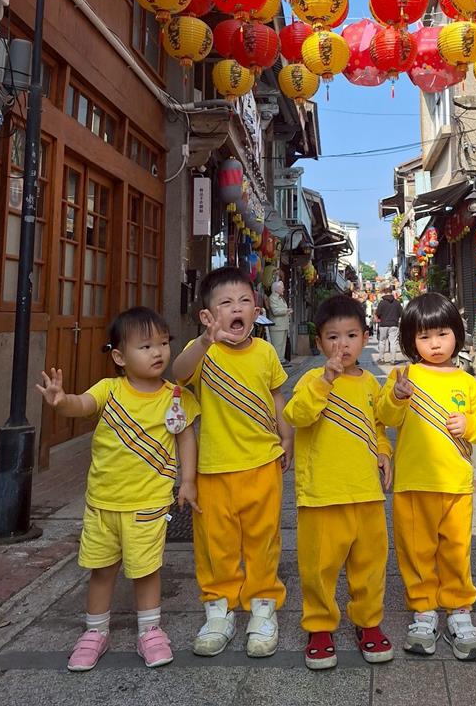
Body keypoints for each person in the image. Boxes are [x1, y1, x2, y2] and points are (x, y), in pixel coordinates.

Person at [35, 307, 200, 672]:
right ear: (120, 357)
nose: (158, 352)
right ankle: (95, 632)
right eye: (146, 346)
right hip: (102, 504)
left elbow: (186, 437)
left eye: (163, 343)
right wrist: (62, 401)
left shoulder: (175, 396)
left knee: (146, 570)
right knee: (102, 570)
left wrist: (187, 481)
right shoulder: (109, 390)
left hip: (148, 504)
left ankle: (150, 631)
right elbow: (82, 405)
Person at [172, 266, 293, 659]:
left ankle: (262, 606)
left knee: (263, 539)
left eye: (244, 301)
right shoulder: (202, 352)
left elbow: (276, 396)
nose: (237, 308)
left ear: (256, 311)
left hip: (262, 464)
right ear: (208, 316)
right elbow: (178, 372)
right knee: (216, 543)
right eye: (226, 303)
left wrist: (287, 435)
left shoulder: (266, 352)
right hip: (213, 469)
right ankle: (218, 609)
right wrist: (203, 342)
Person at [376, 292, 476, 661]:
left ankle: (459, 610)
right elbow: (385, 417)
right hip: (413, 483)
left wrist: (471, 425)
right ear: (410, 340)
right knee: (415, 551)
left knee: (456, 550)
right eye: (424, 336)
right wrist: (397, 397)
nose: (434, 344)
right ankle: (423, 609)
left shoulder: (468, 383)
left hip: (456, 484)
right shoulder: (403, 376)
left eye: (442, 334)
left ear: (456, 334)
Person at [283, 294, 393, 670]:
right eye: (332, 337)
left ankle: (368, 621)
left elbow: (378, 425)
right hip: (321, 495)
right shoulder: (311, 379)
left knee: (370, 564)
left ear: (365, 338)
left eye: (350, 336)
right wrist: (325, 381)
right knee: (318, 567)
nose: (342, 345)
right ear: (319, 343)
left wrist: (384, 452)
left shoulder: (371, 383)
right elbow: (298, 416)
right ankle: (319, 626)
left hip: (366, 492)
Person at [375, 285, 402, 364]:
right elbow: (401, 313)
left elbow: (378, 313)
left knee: (382, 341)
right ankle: (393, 360)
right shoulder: (397, 303)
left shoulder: (382, 303)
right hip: (394, 324)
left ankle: (381, 359)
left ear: (384, 292)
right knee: (393, 342)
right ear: (391, 292)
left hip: (383, 324)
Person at [267, 279, 292, 362]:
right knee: (277, 345)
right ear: (276, 289)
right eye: (282, 288)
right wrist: (286, 311)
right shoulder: (272, 298)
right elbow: (275, 311)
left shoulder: (281, 298)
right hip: (277, 326)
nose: (283, 289)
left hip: (283, 325)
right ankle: (277, 361)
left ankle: (281, 360)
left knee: (282, 345)